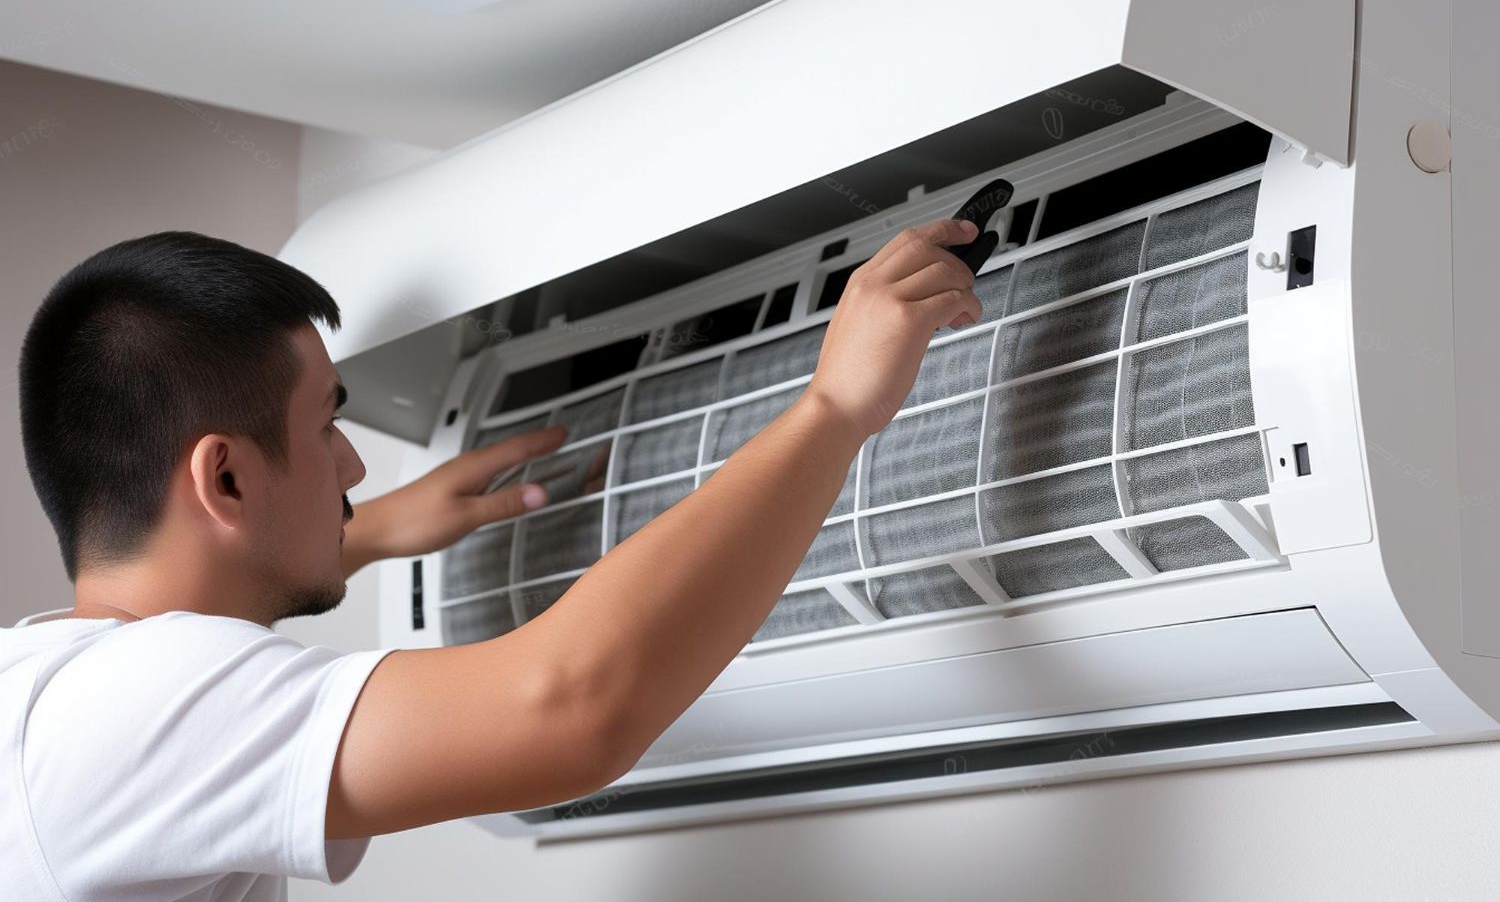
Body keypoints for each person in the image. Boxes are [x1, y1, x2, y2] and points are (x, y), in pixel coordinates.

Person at [3, 219, 984, 899]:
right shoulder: (136, 709)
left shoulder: (41, 693)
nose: (348, 465)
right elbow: (571, 707)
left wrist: (362, 529)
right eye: (326, 426)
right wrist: (834, 407)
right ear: (224, 482)